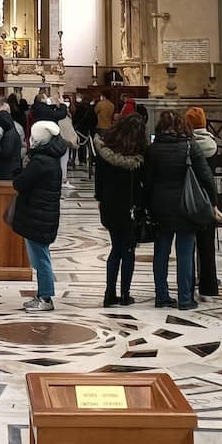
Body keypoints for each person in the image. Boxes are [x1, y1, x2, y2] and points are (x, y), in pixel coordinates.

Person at [144, 110, 216, 310]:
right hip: (187, 206)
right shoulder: (190, 146)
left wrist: (146, 205)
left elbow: (147, 182)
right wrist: (214, 202)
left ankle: (162, 296)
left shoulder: (153, 149)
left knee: (161, 253)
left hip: (160, 206)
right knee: (185, 253)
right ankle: (185, 298)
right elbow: (206, 177)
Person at [10, 120, 65, 312]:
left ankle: (45, 298)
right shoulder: (51, 159)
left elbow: (20, 183)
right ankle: (43, 295)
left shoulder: (41, 162)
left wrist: (19, 171)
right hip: (43, 215)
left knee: (41, 259)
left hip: (38, 216)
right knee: (41, 257)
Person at [94, 113, 147, 307]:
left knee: (115, 248)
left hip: (108, 206)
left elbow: (98, 181)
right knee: (128, 250)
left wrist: (99, 200)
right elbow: (143, 183)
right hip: (129, 207)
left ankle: (109, 293)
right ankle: (125, 294)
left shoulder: (104, 151)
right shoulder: (138, 157)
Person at [185, 106, 222, 299]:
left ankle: (188, 286)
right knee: (207, 246)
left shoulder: (187, 146)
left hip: (189, 198)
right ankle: (209, 286)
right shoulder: (214, 145)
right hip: (208, 200)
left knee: (188, 246)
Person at [72, 93, 97, 165]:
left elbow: (75, 118)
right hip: (88, 129)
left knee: (80, 145)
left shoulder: (79, 108)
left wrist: (75, 125)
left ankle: (81, 160)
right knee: (90, 146)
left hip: (80, 129)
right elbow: (95, 120)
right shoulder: (91, 109)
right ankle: (91, 159)